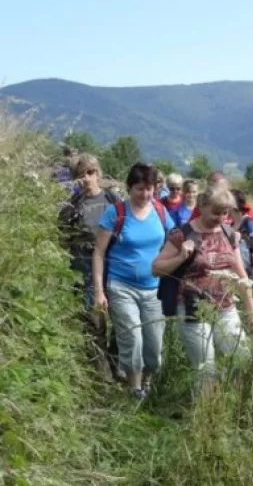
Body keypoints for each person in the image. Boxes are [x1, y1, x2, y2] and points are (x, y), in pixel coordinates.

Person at [152, 186, 253, 392]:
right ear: (202, 206)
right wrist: (181, 257)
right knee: (205, 367)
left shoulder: (230, 234)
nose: (220, 217)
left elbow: (241, 277)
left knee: (242, 358)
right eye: (216, 212)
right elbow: (156, 269)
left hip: (226, 307)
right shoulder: (182, 234)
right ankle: (204, 413)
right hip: (193, 309)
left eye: (225, 212)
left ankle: (231, 404)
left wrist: (252, 314)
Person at [92, 162, 176, 400]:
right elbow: (98, 252)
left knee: (154, 349)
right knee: (133, 340)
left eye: (149, 188)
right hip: (121, 286)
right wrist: (99, 291)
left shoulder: (160, 211)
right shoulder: (116, 213)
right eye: (140, 188)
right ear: (130, 188)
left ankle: (146, 381)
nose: (145, 194)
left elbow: (174, 239)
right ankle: (135, 389)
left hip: (154, 289)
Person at [57, 154, 121, 382]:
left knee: (121, 319)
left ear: (98, 173)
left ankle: (116, 365)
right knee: (94, 322)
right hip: (84, 270)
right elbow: (63, 239)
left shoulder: (112, 200)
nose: (86, 179)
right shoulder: (70, 208)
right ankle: (101, 373)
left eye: (91, 173)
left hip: (114, 267)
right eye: (80, 175)